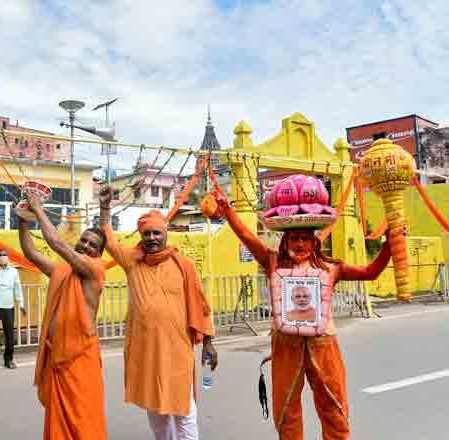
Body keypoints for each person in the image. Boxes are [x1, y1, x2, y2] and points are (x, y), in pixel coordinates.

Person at [218, 180, 394, 440]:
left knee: (333, 407)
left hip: (323, 347)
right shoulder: (272, 262)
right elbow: (247, 237)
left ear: (313, 243)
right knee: (287, 412)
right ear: (286, 241)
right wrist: (228, 212)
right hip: (286, 346)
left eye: (304, 239)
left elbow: (371, 272)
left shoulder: (331, 268)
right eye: (294, 238)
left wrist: (390, 244)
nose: (299, 244)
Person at [99, 186, 217, 440]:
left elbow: (201, 304)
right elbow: (108, 241)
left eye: (156, 233)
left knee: (184, 411)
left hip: (178, 350)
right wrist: (105, 208)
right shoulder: (132, 261)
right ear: (141, 236)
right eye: (147, 233)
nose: (152, 238)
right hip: (146, 350)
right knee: (156, 413)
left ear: (165, 234)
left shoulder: (182, 264)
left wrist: (208, 343)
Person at [18, 192, 108, 440]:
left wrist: (38, 209)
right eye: (84, 241)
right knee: (60, 426)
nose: (86, 246)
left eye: (92, 245)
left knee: (83, 422)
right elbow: (30, 253)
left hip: (80, 360)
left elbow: (57, 243)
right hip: (57, 357)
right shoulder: (64, 271)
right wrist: (23, 220)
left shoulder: (95, 270)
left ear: (99, 254)